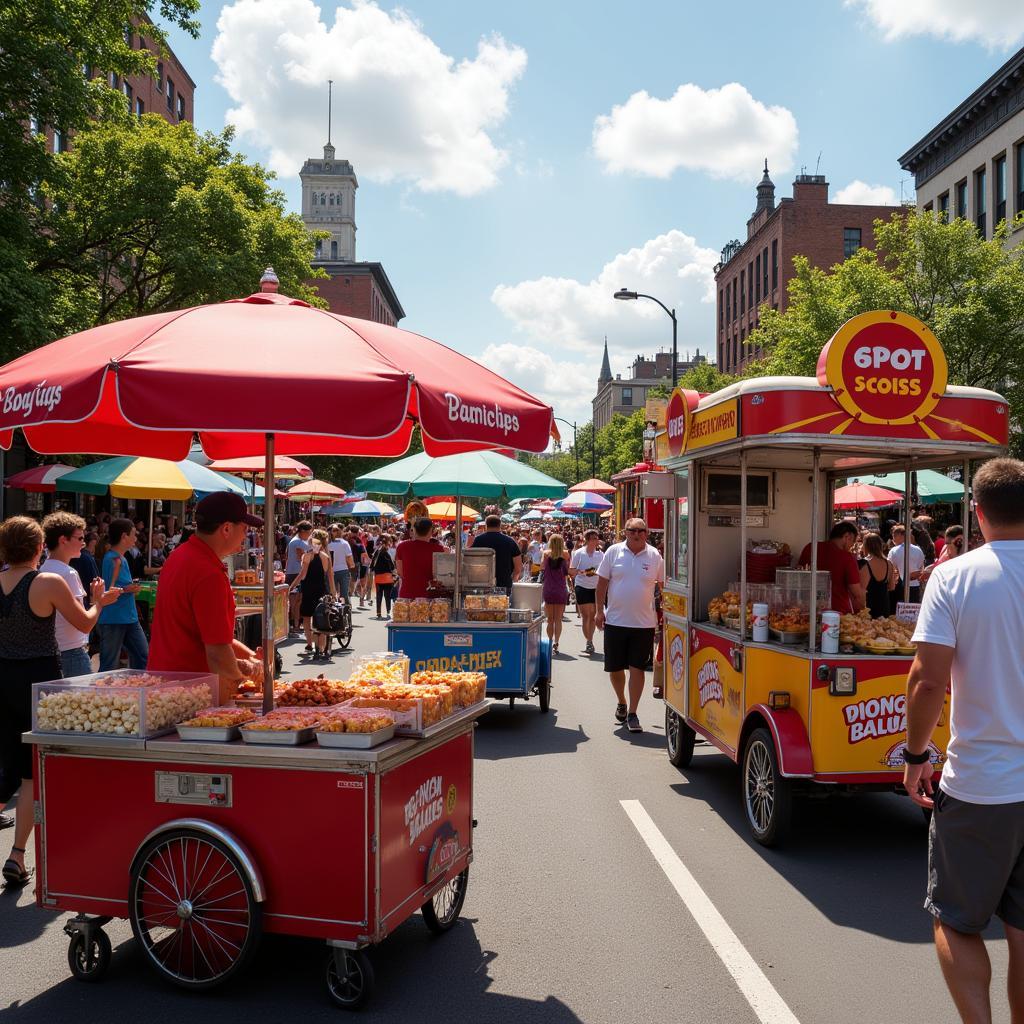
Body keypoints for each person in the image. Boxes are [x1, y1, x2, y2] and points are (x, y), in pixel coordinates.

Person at [903, 458, 1024, 1024]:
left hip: (981, 785)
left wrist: (916, 756)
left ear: (976, 513)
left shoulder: (953, 577)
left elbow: (928, 679)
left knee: (955, 919)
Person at [1, 516, 121, 886]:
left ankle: (19, 856)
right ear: (39, 547)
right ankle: (26, 853)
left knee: (15, 768)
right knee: (39, 771)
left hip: (3, 677)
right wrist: (98, 602)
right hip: (40, 681)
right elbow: (84, 624)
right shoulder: (47, 581)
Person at [148, 493, 264, 700]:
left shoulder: (180, 555)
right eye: (244, 529)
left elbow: (209, 635)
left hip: (166, 684)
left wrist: (250, 657)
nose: (246, 536)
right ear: (227, 528)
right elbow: (218, 654)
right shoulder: (208, 573)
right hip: (193, 693)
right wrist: (247, 687)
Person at [595, 518, 665, 734]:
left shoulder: (655, 556)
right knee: (615, 668)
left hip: (643, 624)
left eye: (641, 530)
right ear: (625, 532)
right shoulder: (613, 552)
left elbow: (663, 587)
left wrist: (668, 611)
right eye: (632, 530)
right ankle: (621, 701)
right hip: (615, 620)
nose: (636, 534)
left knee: (637, 668)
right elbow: (602, 583)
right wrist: (599, 611)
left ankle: (633, 713)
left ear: (646, 533)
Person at [40, 512, 97, 677]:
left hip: (54, 652)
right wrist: (99, 601)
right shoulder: (68, 573)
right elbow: (84, 623)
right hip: (72, 653)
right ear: (63, 540)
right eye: (79, 538)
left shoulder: (42, 569)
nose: (83, 544)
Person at [98, 518, 148, 671]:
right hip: (115, 619)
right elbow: (107, 591)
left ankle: (138, 689)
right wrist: (128, 589)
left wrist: (128, 588)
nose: (135, 538)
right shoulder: (112, 559)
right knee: (109, 664)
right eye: (133, 534)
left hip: (126, 617)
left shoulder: (119, 558)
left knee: (143, 656)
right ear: (124, 536)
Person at [798, 521, 866, 614]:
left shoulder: (810, 547)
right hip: (837, 612)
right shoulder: (846, 557)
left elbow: (798, 576)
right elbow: (856, 593)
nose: (851, 546)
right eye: (852, 542)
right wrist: (863, 608)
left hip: (808, 609)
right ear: (847, 537)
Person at [289, 528, 336, 659]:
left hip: (309, 590)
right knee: (321, 619)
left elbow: (302, 575)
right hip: (322, 590)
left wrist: (291, 586)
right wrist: (333, 594)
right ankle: (320, 647)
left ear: (311, 541)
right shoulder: (326, 557)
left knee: (307, 618)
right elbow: (330, 577)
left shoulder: (307, 556)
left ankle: (309, 644)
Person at [570, 529, 603, 654]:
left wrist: (595, 572)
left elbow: (604, 570)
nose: (597, 540)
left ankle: (590, 640)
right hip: (582, 586)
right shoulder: (579, 553)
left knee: (593, 616)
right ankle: (588, 641)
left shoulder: (601, 554)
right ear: (588, 540)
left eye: (597, 538)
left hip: (595, 587)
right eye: (594, 538)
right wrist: (583, 572)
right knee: (586, 616)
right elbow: (571, 570)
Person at [469, 515, 522, 593]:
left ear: (486, 525)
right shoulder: (510, 541)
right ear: (500, 525)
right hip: (504, 585)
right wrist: (513, 582)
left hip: (482, 585)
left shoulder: (478, 540)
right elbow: (518, 568)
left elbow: (470, 561)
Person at [395, 518, 445, 599]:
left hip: (407, 594)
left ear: (414, 530)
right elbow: (441, 575)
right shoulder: (438, 549)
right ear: (431, 531)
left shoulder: (402, 546)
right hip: (429, 595)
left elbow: (400, 572)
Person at [541, 533, 570, 653]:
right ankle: (556, 642)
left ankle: (549, 641)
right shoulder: (565, 555)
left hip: (548, 588)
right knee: (558, 619)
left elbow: (542, 567)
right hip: (560, 589)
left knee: (550, 619)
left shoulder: (546, 554)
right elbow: (566, 572)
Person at [858, 532, 897, 619]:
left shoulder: (864, 563)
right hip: (884, 606)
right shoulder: (889, 563)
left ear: (866, 546)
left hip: (868, 608)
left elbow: (861, 591)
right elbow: (892, 587)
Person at [887, 523, 925, 610]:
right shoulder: (918, 549)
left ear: (901, 535)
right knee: (913, 612)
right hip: (915, 586)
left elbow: (891, 568)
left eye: (894, 536)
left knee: (899, 614)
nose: (893, 539)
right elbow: (920, 566)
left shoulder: (894, 551)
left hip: (899, 587)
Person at [285, 521, 312, 631]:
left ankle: (295, 624)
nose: (310, 534)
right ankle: (294, 625)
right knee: (296, 601)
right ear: (303, 531)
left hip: (294, 572)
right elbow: (301, 556)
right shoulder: (297, 542)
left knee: (296, 600)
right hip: (296, 573)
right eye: (309, 532)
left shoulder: (296, 541)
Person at [70, 530, 100, 607]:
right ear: (92, 543)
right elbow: (94, 579)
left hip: (80, 597)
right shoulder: (86, 557)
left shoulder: (80, 556)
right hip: (87, 599)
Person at [370, 534, 397, 618]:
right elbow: (392, 566)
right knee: (387, 596)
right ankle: (388, 611)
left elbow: (372, 565)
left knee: (379, 595)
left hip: (378, 577)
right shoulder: (386, 553)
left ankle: (378, 613)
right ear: (386, 544)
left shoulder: (377, 552)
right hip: (387, 577)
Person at [328, 524, 355, 600]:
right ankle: (344, 610)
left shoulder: (326, 544)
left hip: (330, 571)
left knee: (331, 593)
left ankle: (333, 609)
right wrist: (352, 565)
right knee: (344, 594)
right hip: (343, 570)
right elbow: (349, 557)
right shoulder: (344, 543)